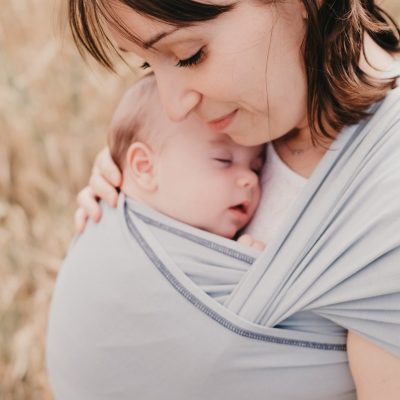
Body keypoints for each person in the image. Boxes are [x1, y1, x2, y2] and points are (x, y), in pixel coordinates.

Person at [48, 1, 400, 399]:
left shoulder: (383, 198)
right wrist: (129, 204)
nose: (173, 107)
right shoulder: (255, 115)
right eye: (147, 65)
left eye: (189, 55)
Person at [106, 74, 265, 244]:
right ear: (145, 167)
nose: (252, 178)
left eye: (256, 168)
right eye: (223, 160)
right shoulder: (119, 241)